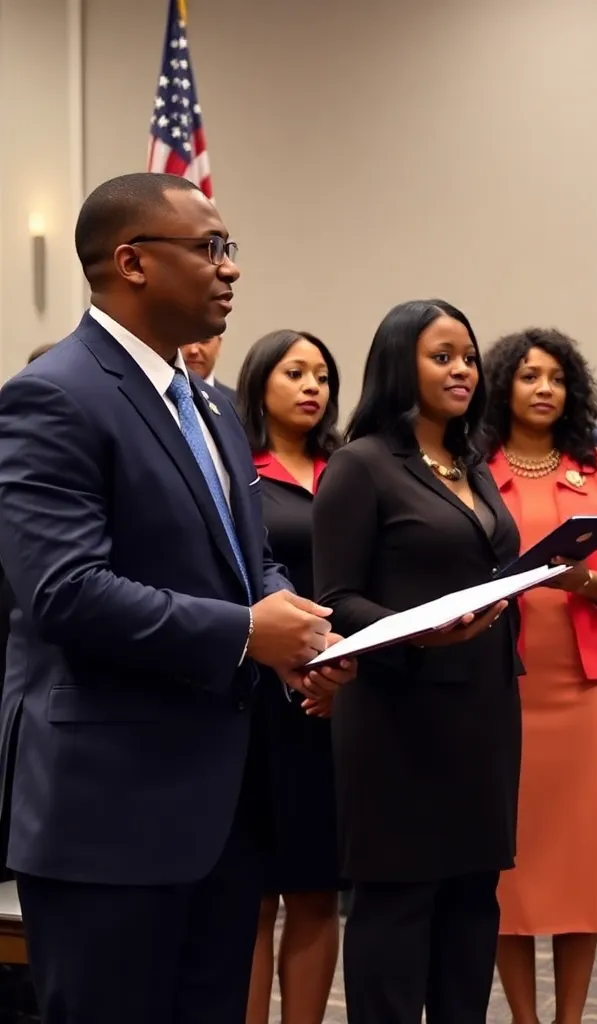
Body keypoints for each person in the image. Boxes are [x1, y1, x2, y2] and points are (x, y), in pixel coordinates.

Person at [0, 172, 354, 1024]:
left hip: (220, 802)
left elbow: (251, 558)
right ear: (132, 262)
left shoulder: (211, 406)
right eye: (210, 249)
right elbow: (65, 591)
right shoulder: (54, 396)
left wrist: (298, 637)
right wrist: (245, 634)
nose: (230, 269)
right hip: (108, 808)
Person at [312, 299, 521, 1024]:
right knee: (399, 909)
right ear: (401, 364)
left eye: (468, 356)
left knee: (472, 904)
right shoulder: (359, 465)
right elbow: (335, 599)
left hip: (483, 710)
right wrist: (424, 632)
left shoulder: (470, 462)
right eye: (443, 356)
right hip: (399, 718)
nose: (463, 368)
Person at [481, 329, 597, 1024]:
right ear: (504, 388)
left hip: (588, 689)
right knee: (510, 865)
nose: (544, 388)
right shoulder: (471, 465)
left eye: (555, 376)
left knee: (583, 861)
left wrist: (589, 582)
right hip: (502, 684)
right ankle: (524, 1018)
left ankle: (570, 1018)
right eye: (528, 376)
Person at [236, 330, 345, 1024]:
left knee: (317, 888)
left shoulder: (350, 469)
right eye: (295, 372)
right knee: (252, 894)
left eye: (323, 376)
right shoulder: (235, 469)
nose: (312, 386)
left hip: (335, 696)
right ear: (259, 384)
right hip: (256, 696)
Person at [182, 332, 237, 404]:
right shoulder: (164, 398)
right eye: (186, 339)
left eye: (204, 340)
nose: (193, 350)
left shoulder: (240, 406)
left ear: (219, 345)